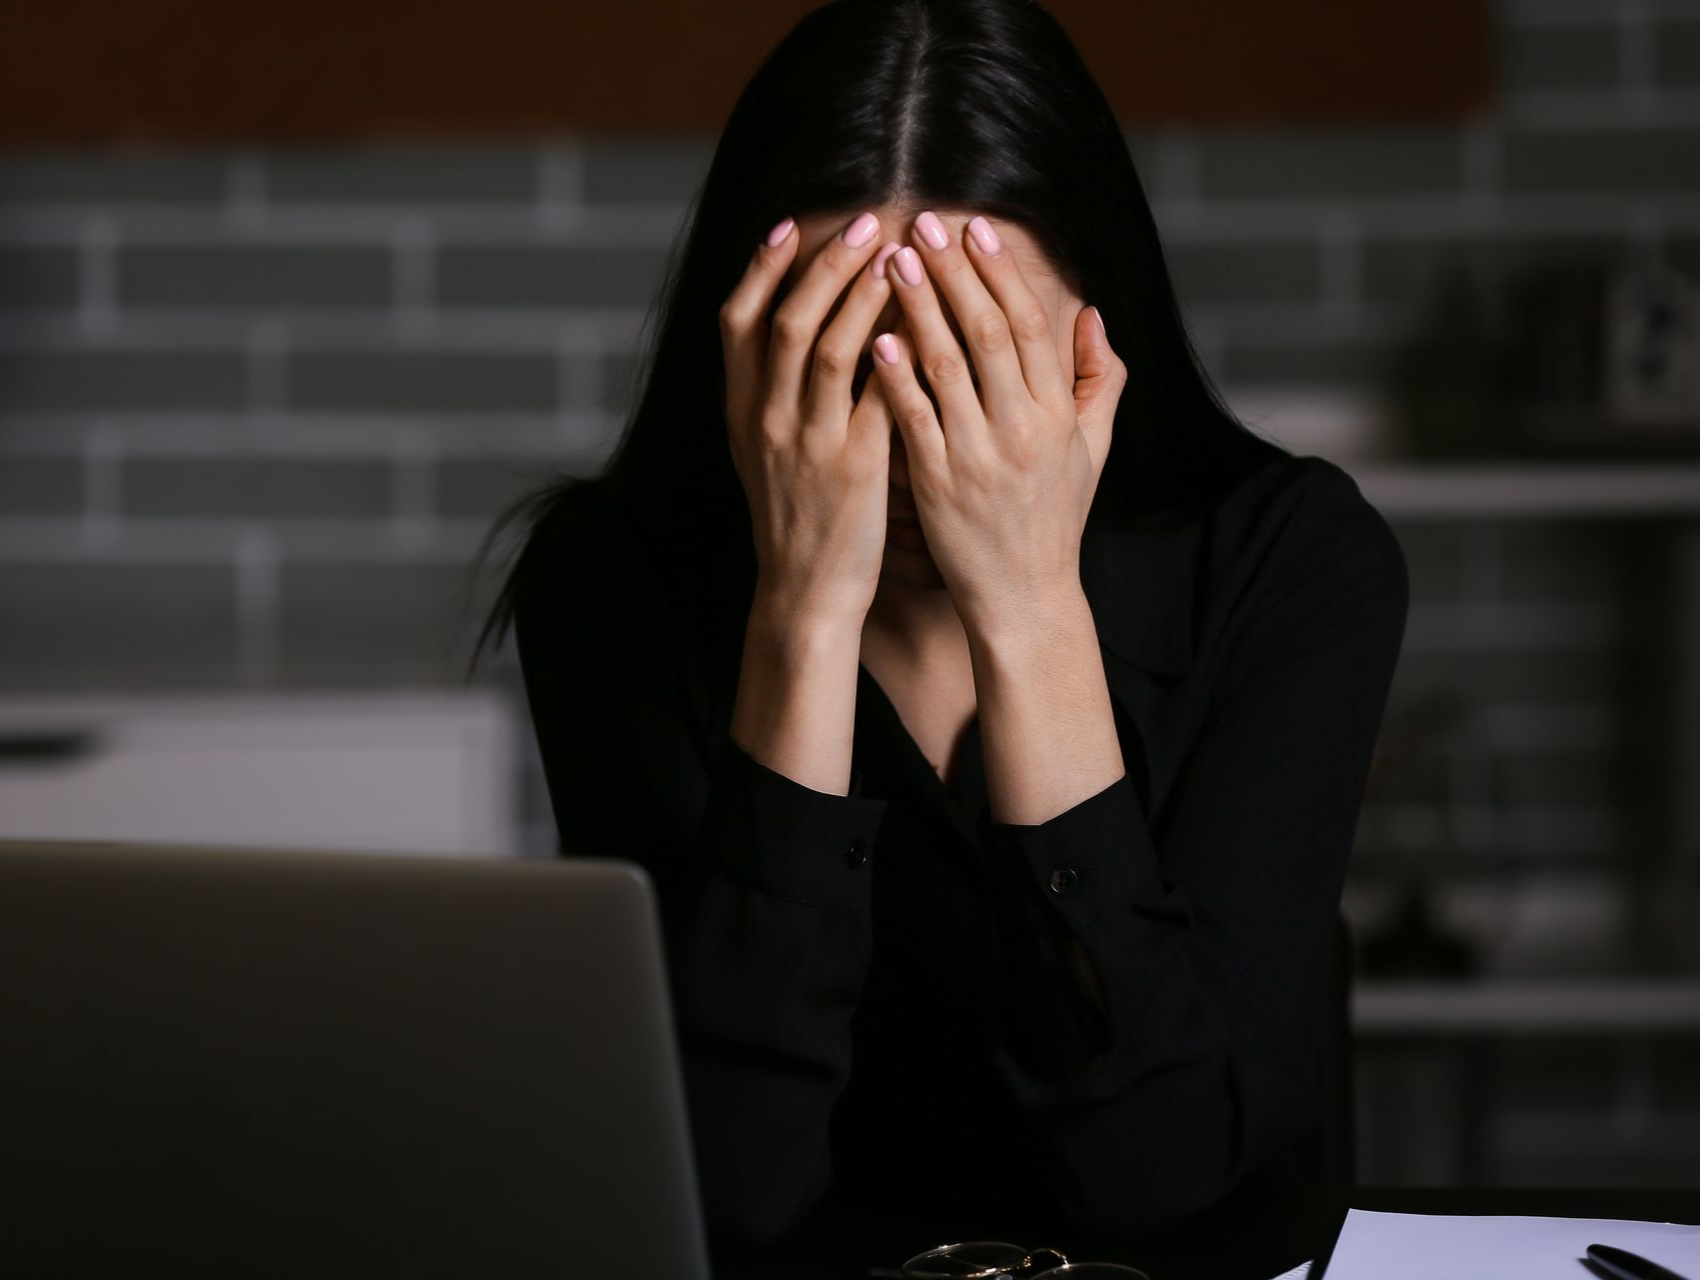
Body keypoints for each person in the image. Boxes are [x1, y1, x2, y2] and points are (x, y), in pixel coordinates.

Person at [469, 0, 1410, 1271]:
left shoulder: (1293, 566)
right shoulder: (613, 586)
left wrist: (1029, 605)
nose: (918, 444)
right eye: (844, 362)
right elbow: (725, 1190)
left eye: (976, 360)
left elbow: (1163, 1172)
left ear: (1096, 336)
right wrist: (803, 612)